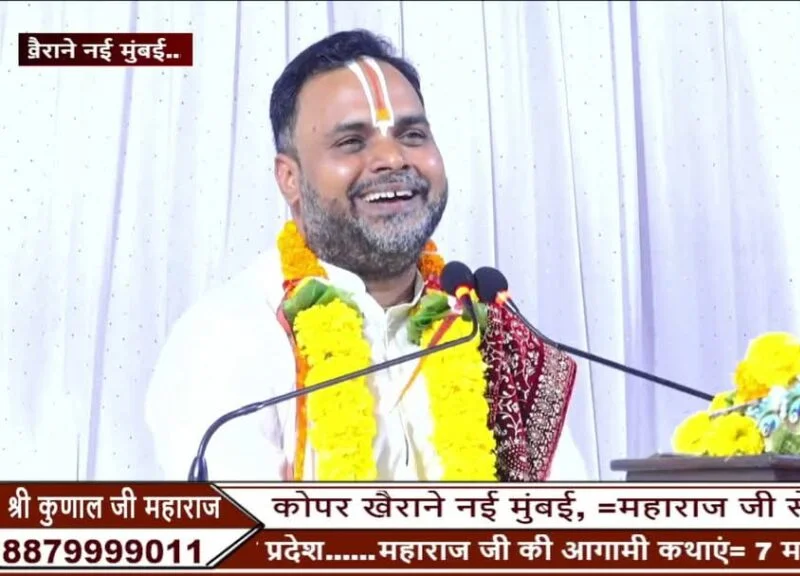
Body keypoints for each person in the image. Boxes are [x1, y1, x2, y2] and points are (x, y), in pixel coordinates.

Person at [145, 30, 587, 482]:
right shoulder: (225, 338)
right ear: (289, 178)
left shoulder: (492, 332)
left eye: (412, 135)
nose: (392, 158)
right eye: (352, 142)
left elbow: (567, 511)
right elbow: (249, 524)